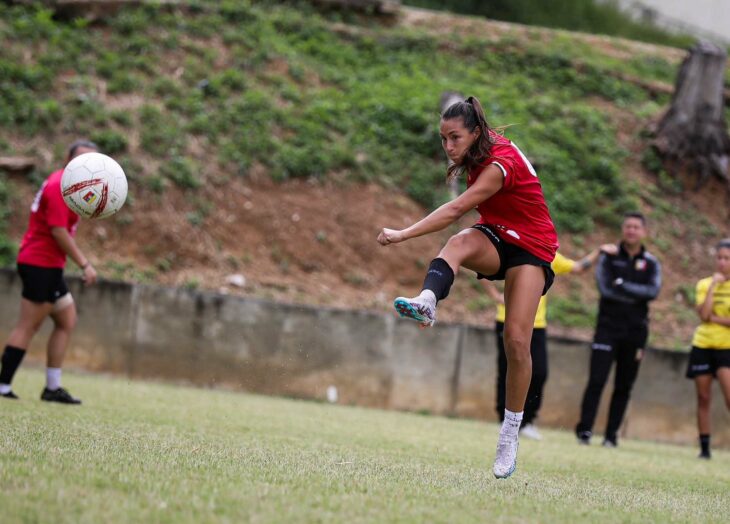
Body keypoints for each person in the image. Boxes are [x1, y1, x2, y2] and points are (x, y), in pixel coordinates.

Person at [377, 96, 558, 479]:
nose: (448, 146)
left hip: (531, 246)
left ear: (476, 133)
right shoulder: (478, 150)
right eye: (443, 139)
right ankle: (427, 301)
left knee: (516, 342)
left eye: (454, 137)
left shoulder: (498, 163)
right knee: (459, 243)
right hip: (498, 236)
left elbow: (456, 209)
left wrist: (403, 234)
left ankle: (510, 432)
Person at [0, 140, 99, 404]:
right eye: (81, 159)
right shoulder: (59, 186)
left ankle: (52, 388)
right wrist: (85, 264)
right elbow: (58, 231)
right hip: (39, 264)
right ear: (68, 159)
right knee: (28, 325)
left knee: (66, 320)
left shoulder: (73, 187)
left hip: (49, 265)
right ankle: (3, 385)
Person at [483, 246, 616, 441]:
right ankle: (504, 419)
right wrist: (495, 296)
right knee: (507, 370)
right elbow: (483, 270)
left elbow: (578, 268)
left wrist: (598, 252)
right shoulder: (511, 248)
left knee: (540, 372)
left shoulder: (548, 254)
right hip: (507, 319)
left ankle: (526, 420)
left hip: (536, 324)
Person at [575, 212, 661, 447]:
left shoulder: (651, 263)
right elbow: (606, 289)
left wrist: (622, 285)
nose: (631, 230)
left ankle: (611, 436)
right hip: (607, 328)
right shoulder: (609, 257)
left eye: (636, 227)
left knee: (624, 384)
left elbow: (652, 292)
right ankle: (585, 431)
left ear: (644, 232)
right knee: (597, 379)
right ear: (623, 230)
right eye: (628, 226)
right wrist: (633, 292)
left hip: (635, 332)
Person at [685, 238, 730, 459]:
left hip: (726, 348)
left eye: (727, 258)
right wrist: (714, 285)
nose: (722, 262)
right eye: (719, 258)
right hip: (702, 344)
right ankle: (704, 449)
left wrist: (715, 319)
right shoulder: (704, 284)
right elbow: (703, 316)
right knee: (703, 398)